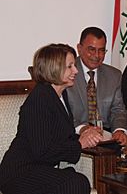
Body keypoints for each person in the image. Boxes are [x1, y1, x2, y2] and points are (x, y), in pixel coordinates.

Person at [0, 44, 99, 194]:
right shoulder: (40, 98)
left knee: (75, 180)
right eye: (70, 66)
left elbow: (60, 135)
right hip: (19, 173)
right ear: (55, 68)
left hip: (38, 169)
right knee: (76, 182)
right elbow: (43, 151)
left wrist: (86, 135)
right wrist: (79, 143)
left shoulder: (61, 95)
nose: (76, 71)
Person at [67, 27, 127, 146]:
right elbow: (64, 113)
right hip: (76, 136)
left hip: (106, 138)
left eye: (101, 50)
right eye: (91, 49)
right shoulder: (67, 73)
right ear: (79, 49)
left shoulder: (114, 75)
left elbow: (118, 110)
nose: (97, 55)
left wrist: (119, 130)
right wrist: (83, 129)